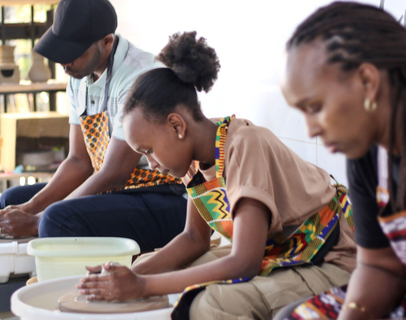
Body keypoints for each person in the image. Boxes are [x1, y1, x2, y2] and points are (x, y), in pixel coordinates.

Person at [76, 31, 356, 320]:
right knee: (151, 263)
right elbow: (194, 237)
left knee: (209, 304)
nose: (150, 163)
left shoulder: (245, 145)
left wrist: (141, 285)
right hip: (277, 254)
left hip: (328, 261)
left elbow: (244, 262)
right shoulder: (196, 160)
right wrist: (127, 276)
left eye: (149, 150)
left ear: (176, 126)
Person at [0, 0, 187, 253]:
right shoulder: (78, 74)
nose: (63, 62)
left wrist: (37, 220)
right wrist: (27, 208)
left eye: (73, 51)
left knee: (54, 219)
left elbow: (113, 174)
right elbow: (79, 161)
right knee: (12, 199)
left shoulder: (139, 76)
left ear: (107, 42)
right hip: (113, 189)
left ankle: (57, 286)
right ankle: (21, 275)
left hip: (160, 196)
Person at [278, 2, 406, 319]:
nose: (311, 129)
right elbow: (380, 265)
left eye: (315, 106)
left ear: (367, 81)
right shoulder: (368, 153)